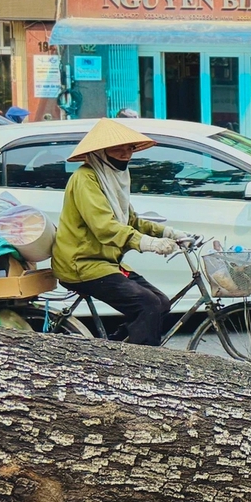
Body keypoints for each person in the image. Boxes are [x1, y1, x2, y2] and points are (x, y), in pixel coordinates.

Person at [51, 119, 191, 346]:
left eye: (129, 148)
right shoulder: (85, 179)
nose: (125, 154)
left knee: (162, 303)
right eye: (117, 148)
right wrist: (148, 244)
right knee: (147, 304)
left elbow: (131, 221)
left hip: (107, 262)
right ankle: (142, 367)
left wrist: (169, 232)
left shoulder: (113, 177)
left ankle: (117, 349)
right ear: (100, 152)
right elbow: (104, 226)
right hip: (82, 265)